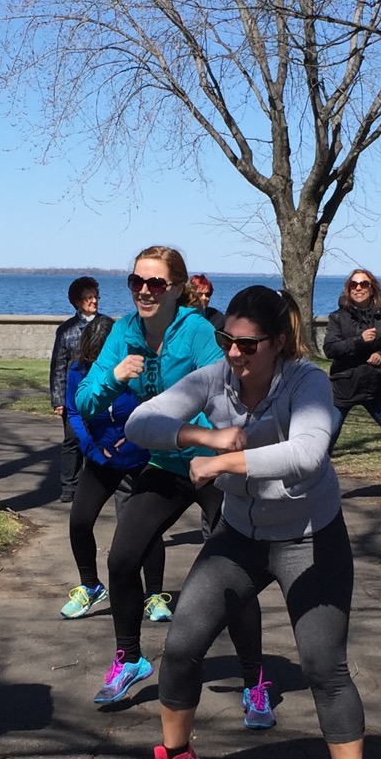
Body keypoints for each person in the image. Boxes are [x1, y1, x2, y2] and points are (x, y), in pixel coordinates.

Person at [125, 285, 378, 759]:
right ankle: (176, 758)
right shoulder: (215, 377)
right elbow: (140, 423)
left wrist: (228, 463)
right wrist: (201, 435)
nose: (234, 354)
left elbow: (310, 453)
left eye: (247, 344)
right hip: (239, 536)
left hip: (310, 537)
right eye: (226, 341)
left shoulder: (307, 383)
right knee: (183, 642)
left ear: (279, 343)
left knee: (322, 665)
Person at [74, 245, 270, 723]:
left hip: (212, 465)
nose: (144, 290)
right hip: (164, 464)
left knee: (234, 575)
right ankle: (130, 658)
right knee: (122, 559)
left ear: (176, 289)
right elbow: (84, 400)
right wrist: (115, 377)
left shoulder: (198, 332)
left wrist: (222, 447)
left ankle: (255, 679)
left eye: (156, 283)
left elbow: (230, 390)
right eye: (136, 281)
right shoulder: (122, 333)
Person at [61, 313, 167, 619]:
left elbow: (153, 407)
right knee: (79, 521)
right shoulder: (77, 372)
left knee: (145, 527)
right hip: (100, 459)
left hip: (138, 459)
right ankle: (90, 586)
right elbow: (74, 411)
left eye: (102, 358)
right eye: (91, 358)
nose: (96, 365)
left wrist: (133, 438)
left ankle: (155, 596)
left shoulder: (137, 370)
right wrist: (92, 447)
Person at [323, 268, 381, 504]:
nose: (359, 288)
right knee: (327, 435)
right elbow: (330, 349)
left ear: (372, 289)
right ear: (348, 289)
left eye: (364, 284)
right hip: (344, 386)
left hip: (376, 387)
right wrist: (358, 341)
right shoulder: (337, 318)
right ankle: (317, 483)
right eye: (354, 284)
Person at [49, 276, 101, 504]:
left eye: (96, 296)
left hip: (100, 392)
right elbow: (58, 367)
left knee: (98, 436)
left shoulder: (107, 326)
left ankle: (95, 484)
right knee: (72, 439)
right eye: (89, 297)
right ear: (77, 301)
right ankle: (69, 485)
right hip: (73, 396)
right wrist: (58, 400)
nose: (94, 301)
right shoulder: (66, 331)